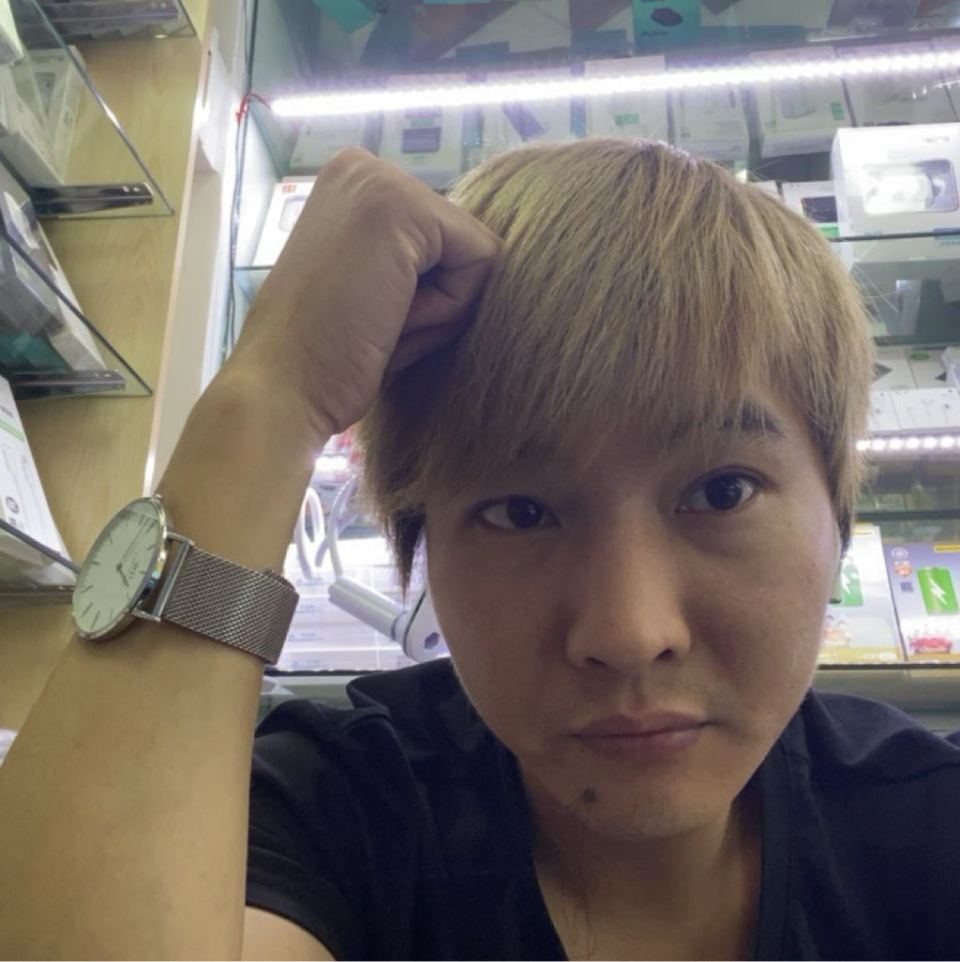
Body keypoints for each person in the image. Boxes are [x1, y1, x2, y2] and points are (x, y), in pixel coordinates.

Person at [0, 139, 958, 961]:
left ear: (838, 514)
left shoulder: (926, 822)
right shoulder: (339, 811)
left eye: (721, 492)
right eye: (521, 512)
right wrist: (270, 392)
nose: (629, 632)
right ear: (422, 552)